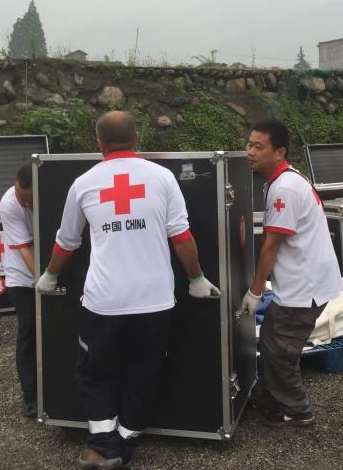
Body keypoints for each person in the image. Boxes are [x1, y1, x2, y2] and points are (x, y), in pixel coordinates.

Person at [37, 110, 220, 470]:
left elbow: (67, 241)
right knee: (144, 370)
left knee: (95, 372)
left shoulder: (84, 183)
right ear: (137, 138)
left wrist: (49, 275)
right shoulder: (163, 177)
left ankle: (103, 445)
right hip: (155, 301)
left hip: (104, 302)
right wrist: (196, 279)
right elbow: (181, 237)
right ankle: (124, 442)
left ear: (99, 143)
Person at [239, 118, 342, 427]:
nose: (250, 151)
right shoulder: (286, 179)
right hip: (309, 277)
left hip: (304, 284)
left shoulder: (284, 188)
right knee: (274, 338)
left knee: (279, 349)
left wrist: (255, 291)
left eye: (259, 146)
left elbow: (271, 245)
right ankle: (266, 397)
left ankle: (297, 411)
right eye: (249, 144)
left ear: (279, 152)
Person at [0, 164, 38, 418]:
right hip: (22, 282)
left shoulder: (47, 194)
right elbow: (25, 249)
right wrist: (44, 280)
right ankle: (31, 397)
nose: (24, 203)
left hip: (46, 275)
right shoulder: (10, 203)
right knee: (28, 336)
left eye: (29, 199)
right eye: (22, 196)